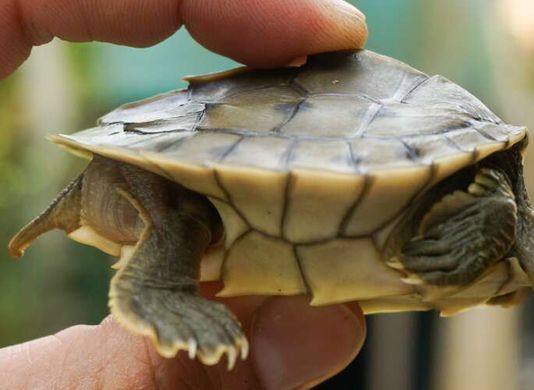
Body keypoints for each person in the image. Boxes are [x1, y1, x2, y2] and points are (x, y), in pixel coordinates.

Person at [0, 1, 369, 388]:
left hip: (183, 176)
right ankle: (161, 288)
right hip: (163, 175)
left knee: (179, 208)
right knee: (180, 211)